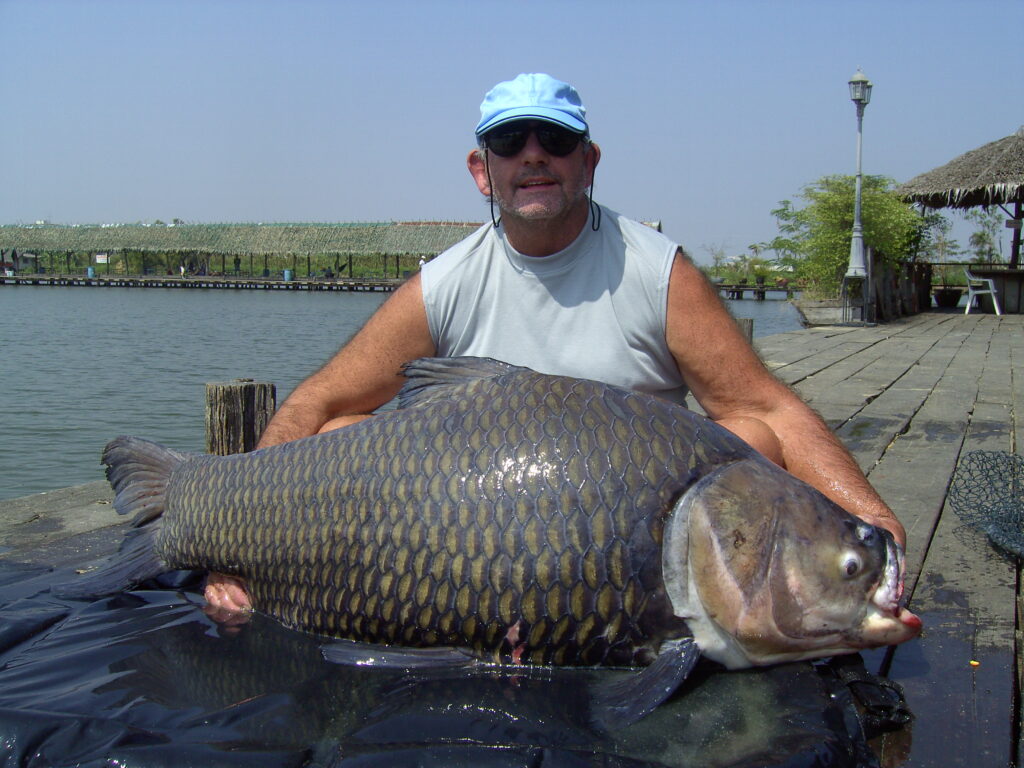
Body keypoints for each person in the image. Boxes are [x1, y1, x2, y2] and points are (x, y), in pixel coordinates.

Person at [204, 73, 905, 617]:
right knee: (340, 427)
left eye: (555, 140)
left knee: (750, 434)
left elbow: (774, 414)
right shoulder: (444, 283)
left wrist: (869, 523)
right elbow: (317, 400)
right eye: (511, 143)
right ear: (483, 171)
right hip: (466, 542)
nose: (533, 155)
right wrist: (240, 530)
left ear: (588, 161)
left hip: (626, 549)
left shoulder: (658, 271)